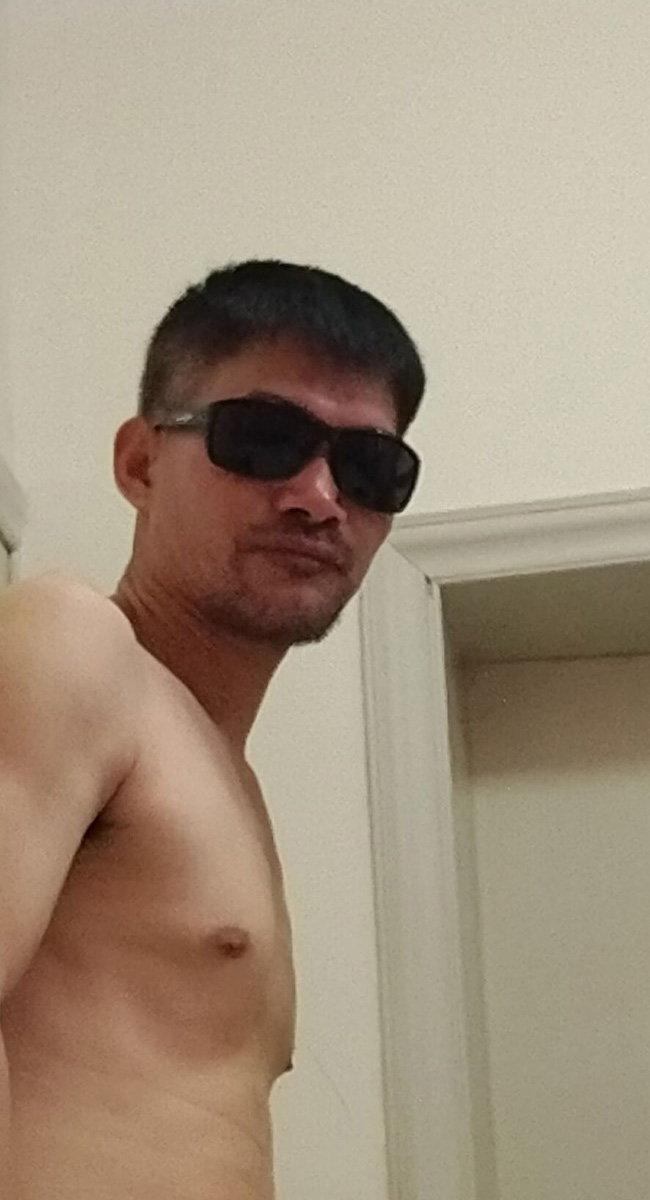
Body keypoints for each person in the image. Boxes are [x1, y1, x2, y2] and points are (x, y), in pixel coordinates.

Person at [0, 259, 425, 1200]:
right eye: (265, 439)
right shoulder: (76, 644)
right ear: (141, 464)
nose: (319, 497)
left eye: (370, 467)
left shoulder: (220, 775)